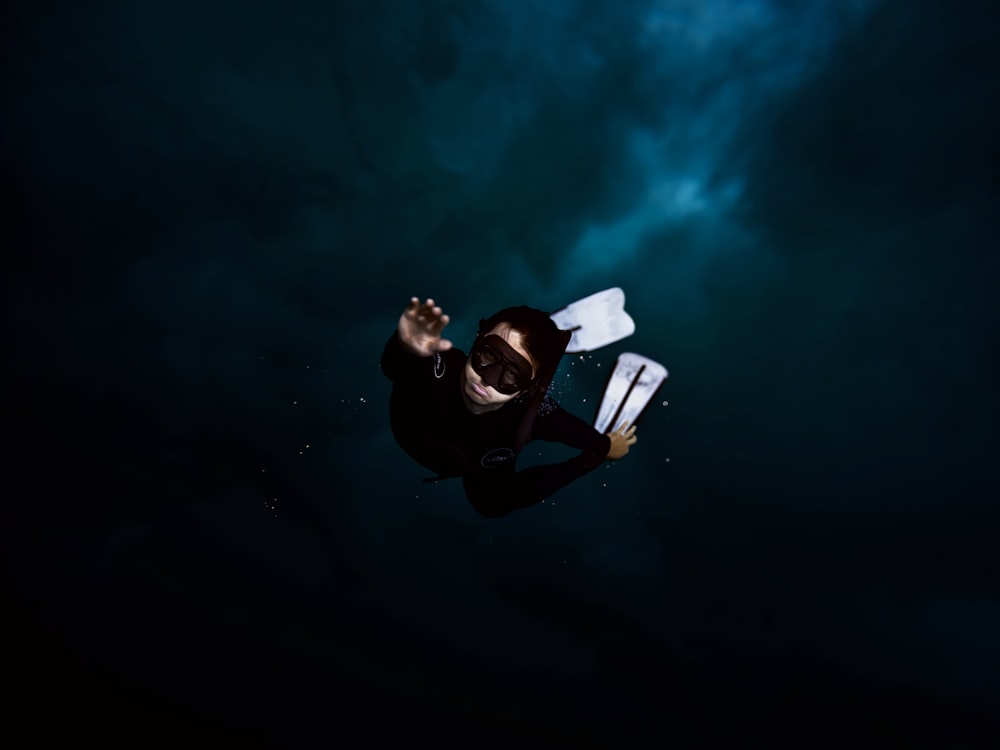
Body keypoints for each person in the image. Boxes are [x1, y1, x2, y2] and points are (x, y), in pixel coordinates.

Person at [381, 297, 638, 517]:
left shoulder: (532, 413)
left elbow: (570, 429)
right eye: (489, 355)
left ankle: (582, 465)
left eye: (512, 374)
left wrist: (599, 449)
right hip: (424, 437)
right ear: (476, 342)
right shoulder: (439, 367)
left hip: (479, 463)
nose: (487, 379)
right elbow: (397, 366)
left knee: (492, 506)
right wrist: (404, 344)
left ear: (527, 389)